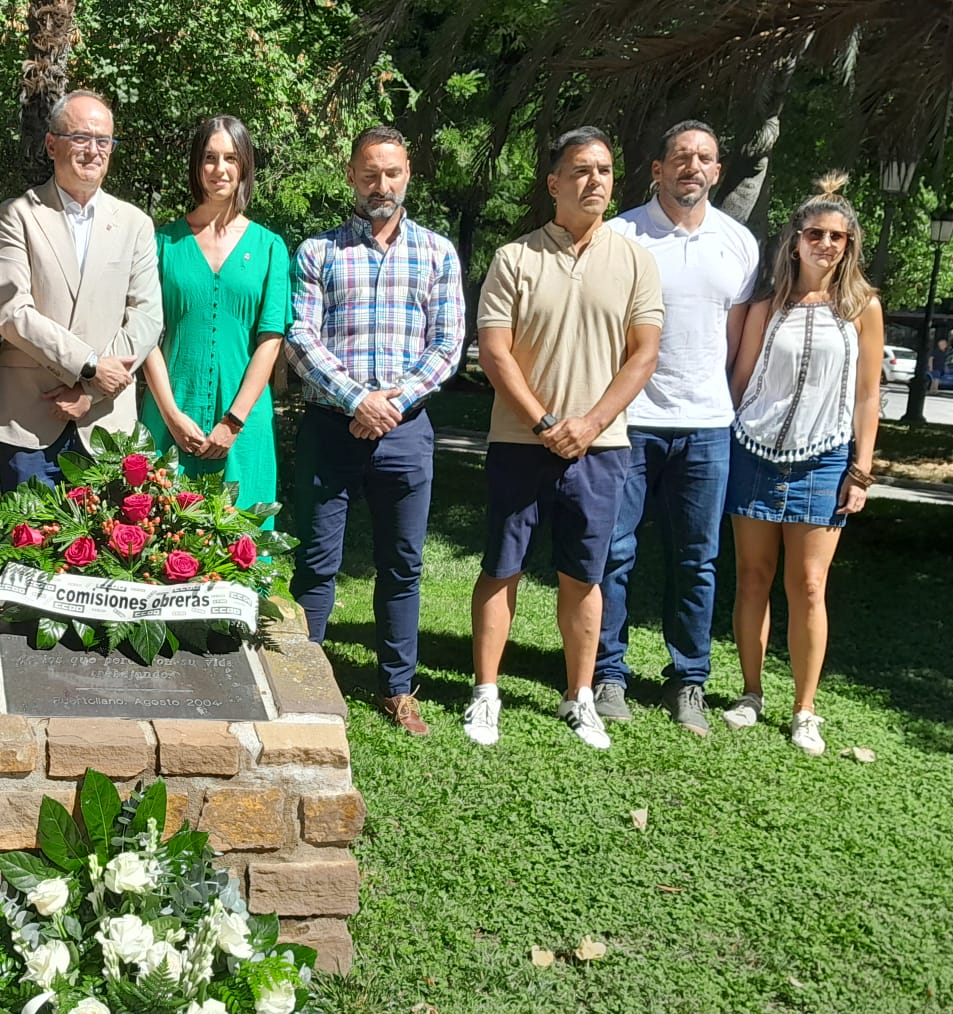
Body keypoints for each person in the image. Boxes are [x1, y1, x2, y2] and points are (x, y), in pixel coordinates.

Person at [462, 126, 663, 750]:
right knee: (502, 568)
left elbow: (643, 354)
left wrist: (590, 424)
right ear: (554, 183)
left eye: (603, 170)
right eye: (580, 170)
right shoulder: (514, 258)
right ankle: (486, 693)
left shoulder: (635, 261)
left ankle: (580, 698)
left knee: (585, 575)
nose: (594, 181)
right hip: (521, 443)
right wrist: (547, 422)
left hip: (601, 450)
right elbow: (495, 353)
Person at [287, 125, 464, 736]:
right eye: (369, 173)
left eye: (391, 173)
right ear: (351, 176)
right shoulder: (317, 252)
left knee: (403, 565)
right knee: (315, 560)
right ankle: (301, 681)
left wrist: (394, 402)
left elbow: (447, 345)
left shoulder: (438, 253)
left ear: (408, 173)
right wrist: (358, 399)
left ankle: (396, 687)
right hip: (331, 428)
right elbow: (301, 340)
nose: (380, 185)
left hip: (407, 433)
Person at [592, 120, 760, 735]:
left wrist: (724, 405)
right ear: (657, 169)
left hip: (707, 429)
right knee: (615, 552)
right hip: (630, 424)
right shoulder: (620, 236)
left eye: (705, 159)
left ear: (717, 173)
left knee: (697, 559)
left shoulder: (740, 245)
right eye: (681, 157)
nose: (693, 166)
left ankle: (688, 679)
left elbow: (737, 342)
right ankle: (609, 673)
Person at [720, 174, 885, 755]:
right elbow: (739, 382)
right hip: (755, 453)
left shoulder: (862, 309)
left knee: (810, 586)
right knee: (753, 578)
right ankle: (750, 692)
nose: (826, 244)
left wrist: (861, 471)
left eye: (838, 237)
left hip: (824, 458)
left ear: (850, 245)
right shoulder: (767, 308)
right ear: (795, 241)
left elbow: (868, 396)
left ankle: (805, 709)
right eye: (815, 233)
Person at [0, 89, 162, 492]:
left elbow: (147, 317)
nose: (93, 150)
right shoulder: (19, 214)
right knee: (24, 554)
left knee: (106, 555)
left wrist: (92, 390)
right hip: (29, 419)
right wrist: (89, 363)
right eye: (80, 137)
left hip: (106, 423)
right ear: (51, 144)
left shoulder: (135, 224)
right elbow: (11, 311)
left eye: (104, 141)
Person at [137, 115, 291, 523]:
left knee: (243, 547)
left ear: (244, 166)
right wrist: (170, 415)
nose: (219, 169)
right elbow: (147, 334)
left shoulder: (270, 247)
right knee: (160, 540)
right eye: (209, 158)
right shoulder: (163, 244)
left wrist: (233, 422)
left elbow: (271, 339)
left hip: (243, 426)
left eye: (230, 158)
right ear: (196, 166)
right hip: (171, 413)